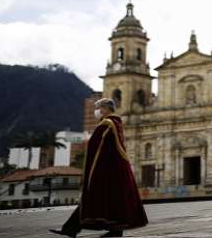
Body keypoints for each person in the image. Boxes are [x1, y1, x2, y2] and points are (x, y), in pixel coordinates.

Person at [50, 98, 148, 238]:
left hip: (105, 171)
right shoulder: (117, 123)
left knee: (93, 199)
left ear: (107, 109)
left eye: (100, 108)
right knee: (112, 200)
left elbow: (94, 145)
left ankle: (71, 229)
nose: (97, 111)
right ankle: (111, 231)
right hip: (115, 170)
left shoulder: (106, 124)